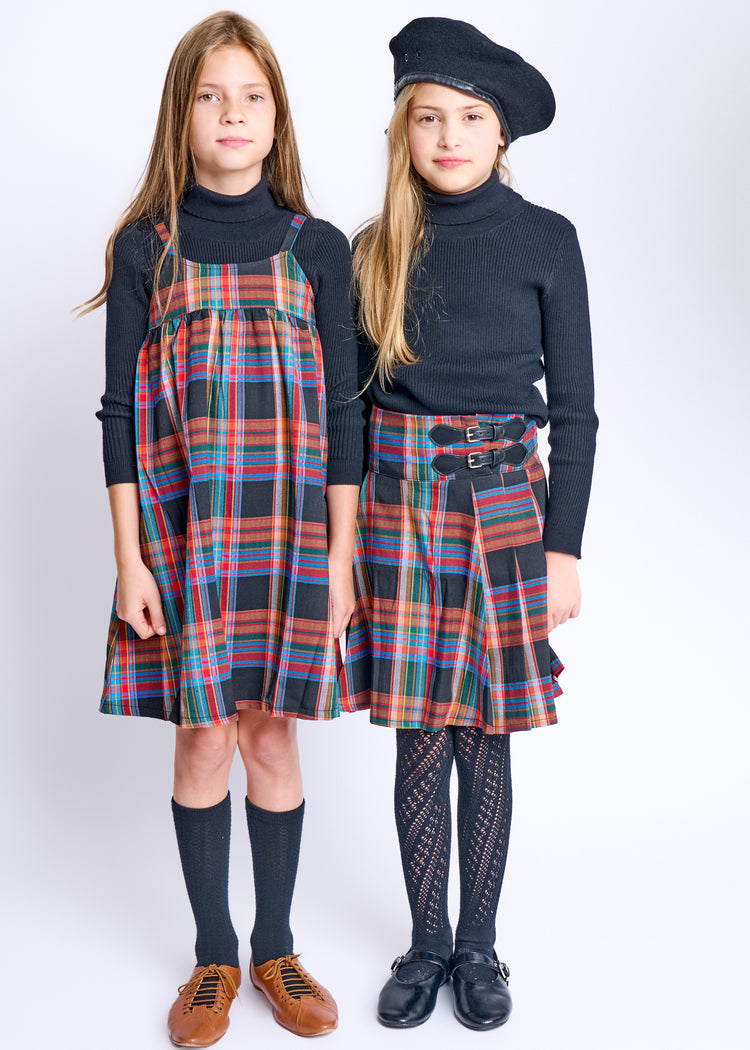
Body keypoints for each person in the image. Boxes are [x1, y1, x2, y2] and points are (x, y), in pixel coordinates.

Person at [82, 11, 362, 1045]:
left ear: (276, 117)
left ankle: (276, 947)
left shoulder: (316, 248)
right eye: (211, 96)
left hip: (290, 538)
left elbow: (346, 416)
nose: (232, 113)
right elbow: (119, 415)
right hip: (186, 537)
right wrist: (128, 559)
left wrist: (341, 560)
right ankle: (214, 955)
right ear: (183, 115)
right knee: (203, 736)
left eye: (251, 96)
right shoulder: (145, 250)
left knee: (271, 734)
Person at [341, 16, 597, 1032]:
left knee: (484, 733)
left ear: (502, 134)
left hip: (504, 506)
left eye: (471, 118)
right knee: (420, 733)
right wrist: (344, 550)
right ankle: (427, 943)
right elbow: (350, 415)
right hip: (398, 505)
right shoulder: (371, 250)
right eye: (428, 117)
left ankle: (480, 946)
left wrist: (563, 548)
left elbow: (575, 413)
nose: (448, 136)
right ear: (403, 131)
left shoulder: (547, 241)